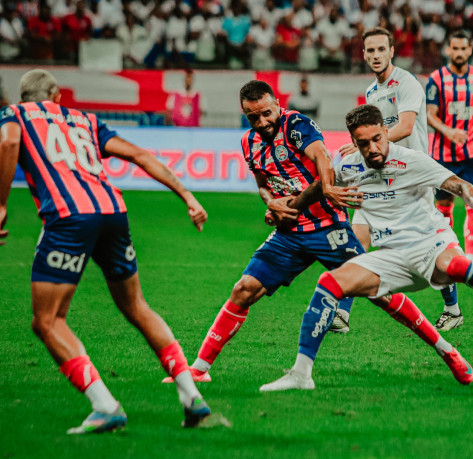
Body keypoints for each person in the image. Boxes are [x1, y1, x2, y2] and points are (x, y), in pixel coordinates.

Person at [0, 69, 211, 433]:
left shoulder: (15, 115)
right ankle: (191, 395)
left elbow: (7, 143)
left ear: (23, 98)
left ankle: (104, 404)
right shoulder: (85, 119)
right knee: (137, 306)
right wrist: (187, 196)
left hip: (69, 217)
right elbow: (140, 156)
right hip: (114, 211)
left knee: (47, 321)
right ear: (57, 96)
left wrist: (1, 206)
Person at [268, 104, 473, 391]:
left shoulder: (412, 160)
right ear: (353, 143)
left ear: (386, 132)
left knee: (456, 266)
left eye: (376, 139)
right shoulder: (348, 167)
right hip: (392, 257)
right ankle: (302, 374)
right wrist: (284, 208)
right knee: (329, 282)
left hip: (430, 245)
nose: (371, 148)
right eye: (363, 143)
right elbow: (321, 187)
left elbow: (460, 185)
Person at [169, 80, 366, 387]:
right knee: (243, 289)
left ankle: (447, 351)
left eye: (266, 113)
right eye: (252, 117)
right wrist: (271, 202)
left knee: (380, 290)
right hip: (289, 232)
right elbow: (263, 182)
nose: (261, 122)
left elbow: (323, 158)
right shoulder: (250, 142)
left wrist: (326, 188)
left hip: (327, 226)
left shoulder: (297, 124)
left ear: (276, 103)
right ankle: (199, 368)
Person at [337, 27, 461, 333]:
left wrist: (363, 144)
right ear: (363, 54)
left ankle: (452, 308)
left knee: (429, 244)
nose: (376, 56)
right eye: (370, 51)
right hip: (379, 177)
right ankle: (341, 313)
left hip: (412, 176)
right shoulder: (371, 93)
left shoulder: (407, 83)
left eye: (381, 49)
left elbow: (405, 127)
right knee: (357, 238)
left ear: (392, 51)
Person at [425, 30, 473, 331]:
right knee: (444, 209)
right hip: (444, 153)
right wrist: (448, 132)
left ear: (470, 50)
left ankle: (468, 260)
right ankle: (451, 251)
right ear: (448, 49)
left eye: (463, 48)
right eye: (454, 47)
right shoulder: (436, 79)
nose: (458, 52)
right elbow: (429, 115)